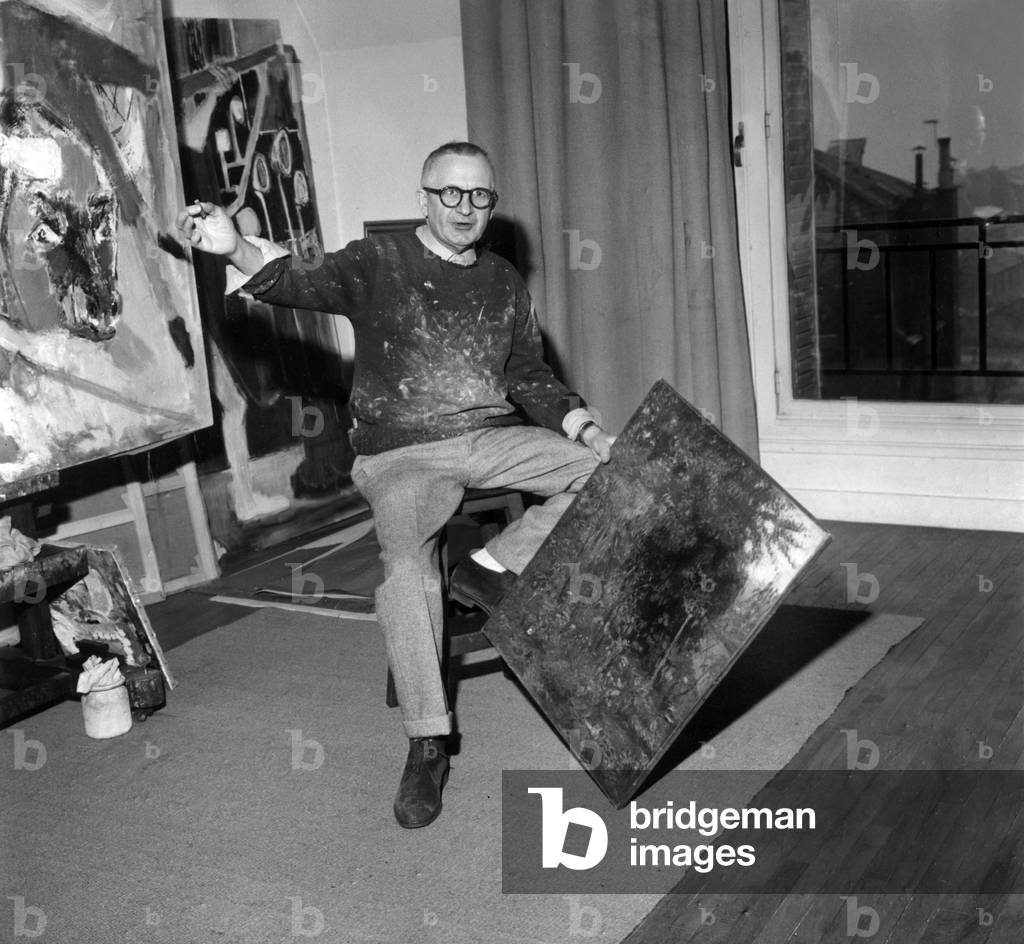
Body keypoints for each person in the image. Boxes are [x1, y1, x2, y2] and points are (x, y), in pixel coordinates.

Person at [176, 141, 615, 829]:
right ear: (424, 196)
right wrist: (234, 247)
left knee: (605, 475)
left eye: (480, 197)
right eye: (451, 194)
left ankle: (492, 569)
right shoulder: (376, 262)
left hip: (491, 439)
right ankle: (427, 740)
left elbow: (530, 375)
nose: (465, 209)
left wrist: (587, 431)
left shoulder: (502, 280)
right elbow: (295, 278)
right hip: (401, 452)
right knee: (407, 568)